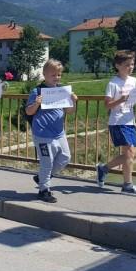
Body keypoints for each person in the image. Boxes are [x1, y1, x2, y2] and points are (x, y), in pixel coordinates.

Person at [96, 50, 136, 196]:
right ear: (117, 65)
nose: (130, 67)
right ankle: (127, 185)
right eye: (127, 65)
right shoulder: (113, 83)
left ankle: (104, 169)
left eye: (132, 64)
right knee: (129, 153)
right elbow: (107, 105)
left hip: (130, 120)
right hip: (117, 121)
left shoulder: (134, 81)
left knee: (131, 155)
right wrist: (120, 100)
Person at [25, 59, 78, 203]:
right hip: (42, 133)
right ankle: (44, 190)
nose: (57, 77)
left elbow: (70, 111)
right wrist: (37, 102)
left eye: (59, 75)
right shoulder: (37, 91)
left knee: (65, 158)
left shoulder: (62, 91)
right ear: (44, 74)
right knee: (47, 163)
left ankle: (42, 178)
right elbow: (29, 112)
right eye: (53, 75)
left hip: (59, 132)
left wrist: (73, 100)